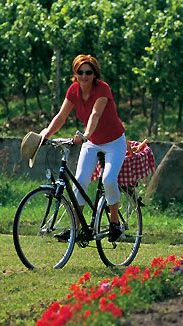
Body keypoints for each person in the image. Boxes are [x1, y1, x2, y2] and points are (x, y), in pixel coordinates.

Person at [39, 54, 126, 242]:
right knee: (79, 182)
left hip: (114, 142)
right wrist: (45, 135)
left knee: (109, 180)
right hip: (92, 142)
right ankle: (75, 229)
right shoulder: (73, 90)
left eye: (89, 72)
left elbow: (95, 115)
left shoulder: (103, 89)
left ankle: (115, 224)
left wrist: (84, 135)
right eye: (80, 72)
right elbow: (61, 116)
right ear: (75, 74)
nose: (84, 75)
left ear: (95, 74)